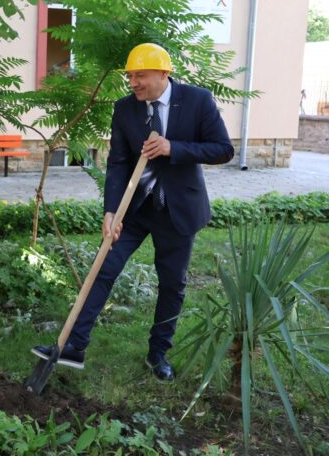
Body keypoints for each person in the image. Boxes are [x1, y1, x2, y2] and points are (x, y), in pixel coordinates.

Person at [31, 43, 234, 381]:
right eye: (130, 76)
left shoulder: (197, 100)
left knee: (172, 284)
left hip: (178, 209)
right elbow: (119, 162)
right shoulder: (126, 109)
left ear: (163, 74)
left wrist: (174, 148)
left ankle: (158, 354)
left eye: (140, 75)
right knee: (102, 268)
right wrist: (111, 210)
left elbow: (223, 150)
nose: (133, 83)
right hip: (135, 207)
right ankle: (74, 345)